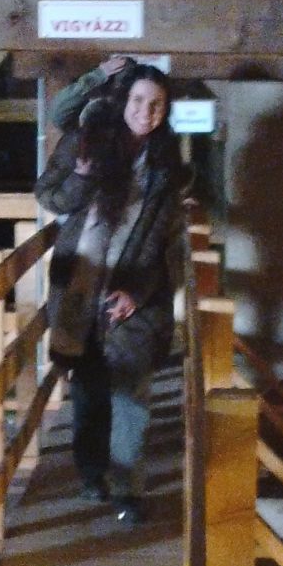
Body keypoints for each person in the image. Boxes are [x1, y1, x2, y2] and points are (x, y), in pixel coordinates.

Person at [37, 55, 189, 525]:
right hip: (81, 285)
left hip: (134, 296)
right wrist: (82, 176)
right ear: (124, 101)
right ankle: (91, 474)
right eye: (139, 100)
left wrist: (136, 293)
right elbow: (50, 197)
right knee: (88, 389)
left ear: (166, 110)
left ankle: (127, 490)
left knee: (130, 395)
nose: (146, 111)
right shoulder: (88, 141)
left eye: (157, 104)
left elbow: (167, 244)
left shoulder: (168, 166)